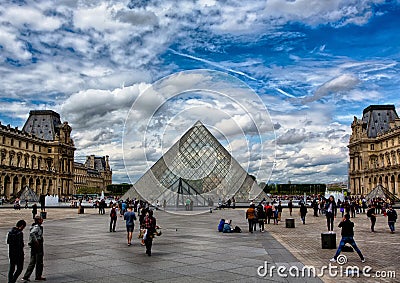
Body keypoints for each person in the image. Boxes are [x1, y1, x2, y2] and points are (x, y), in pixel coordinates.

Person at [22, 216, 46, 281]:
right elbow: (32, 233)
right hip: (38, 246)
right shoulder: (37, 227)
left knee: (32, 261)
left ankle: (26, 276)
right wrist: (36, 240)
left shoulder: (34, 226)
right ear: (38, 220)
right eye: (41, 219)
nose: (42, 220)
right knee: (39, 261)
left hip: (34, 246)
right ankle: (38, 276)